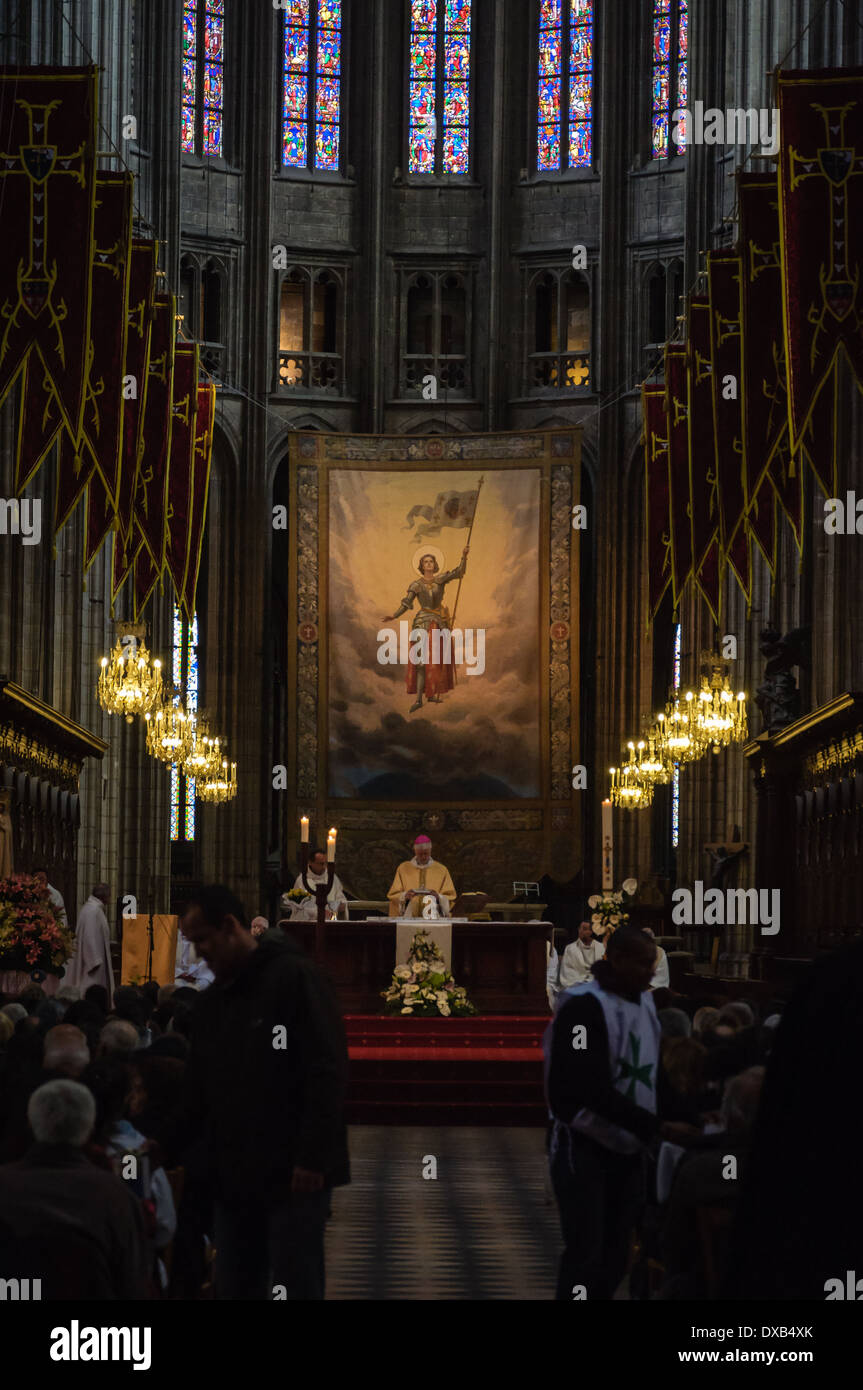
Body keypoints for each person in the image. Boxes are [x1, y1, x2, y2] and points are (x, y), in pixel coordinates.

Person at [158, 883, 349, 1300]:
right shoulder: (213, 1002)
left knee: (293, 1281)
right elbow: (199, 1089)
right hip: (235, 1171)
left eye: (203, 940)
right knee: (236, 1282)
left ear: (230, 927)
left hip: (295, 1173)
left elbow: (326, 1068)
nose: (198, 953)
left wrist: (313, 1157)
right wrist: (162, 1147)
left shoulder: (295, 977)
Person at [545, 925, 698, 1300]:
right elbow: (588, 1089)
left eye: (652, 963)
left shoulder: (645, 1003)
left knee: (616, 1256)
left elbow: (652, 1073)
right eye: (642, 963)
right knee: (586, 1252)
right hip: (583, 1144)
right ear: (615, 959)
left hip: (629, 1146)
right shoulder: (582, 1007)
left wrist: (689, 1116)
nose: (649, 972)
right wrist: (659, 1126)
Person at [0, 1079, 150, 1299]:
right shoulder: (116, 1196)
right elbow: (132, 1284)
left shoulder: (5, 1185)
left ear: (31, 1124)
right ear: (89, 1128)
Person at [382, 545, 469, 713]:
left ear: (435, 564)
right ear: (421, 566)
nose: (429, 564)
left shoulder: (441, 579)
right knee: (421, 663)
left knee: (435, 662)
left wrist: (464, 556)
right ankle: (419, 699)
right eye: (425, 562)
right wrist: (394, 616)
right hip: (422, 624)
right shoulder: (416, 585)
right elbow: (406, 604)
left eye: (431, 561)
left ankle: (431, 694)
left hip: (439, 623)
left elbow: (460, 572)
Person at [65, 884, 115, 1007]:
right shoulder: (93, 911)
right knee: (91, 992)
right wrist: (94, 960)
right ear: (105, 896)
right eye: (109, 895)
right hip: (92, 964)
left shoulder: (92, 909)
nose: (110, 898)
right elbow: (89, 936)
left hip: (95, 960)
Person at [387, 834, 456, 918]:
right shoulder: (403, 868)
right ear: (415, 851)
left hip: (433, 918)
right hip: (409, 918)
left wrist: (438, 897)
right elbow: (393, 895)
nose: (423, 857)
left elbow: (450, 896)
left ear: (430, 850)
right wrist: (405, 896)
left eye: (426, 853)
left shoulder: (442, 870)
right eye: (420, 854)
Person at [287, 849, 347, 918]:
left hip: (331, 919)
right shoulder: (302, 880)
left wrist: (341, 904)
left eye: (326, 863)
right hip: (309, 923)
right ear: (310, 862)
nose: (324, 867)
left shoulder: (331, 877)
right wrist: (319, 913)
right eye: (321, 864)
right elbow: (298, 905)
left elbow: (340, 897)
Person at [558, 920, 606, 990]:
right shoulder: (570, 948)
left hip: (596, 984)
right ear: (578, 930)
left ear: (592, 932)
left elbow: (604, 970)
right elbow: (567, 970)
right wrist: (583, 982)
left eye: (588, 929)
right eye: (583, 929)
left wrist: (592, 981)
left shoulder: (601, 947)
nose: (584, 932)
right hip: (577, 984)